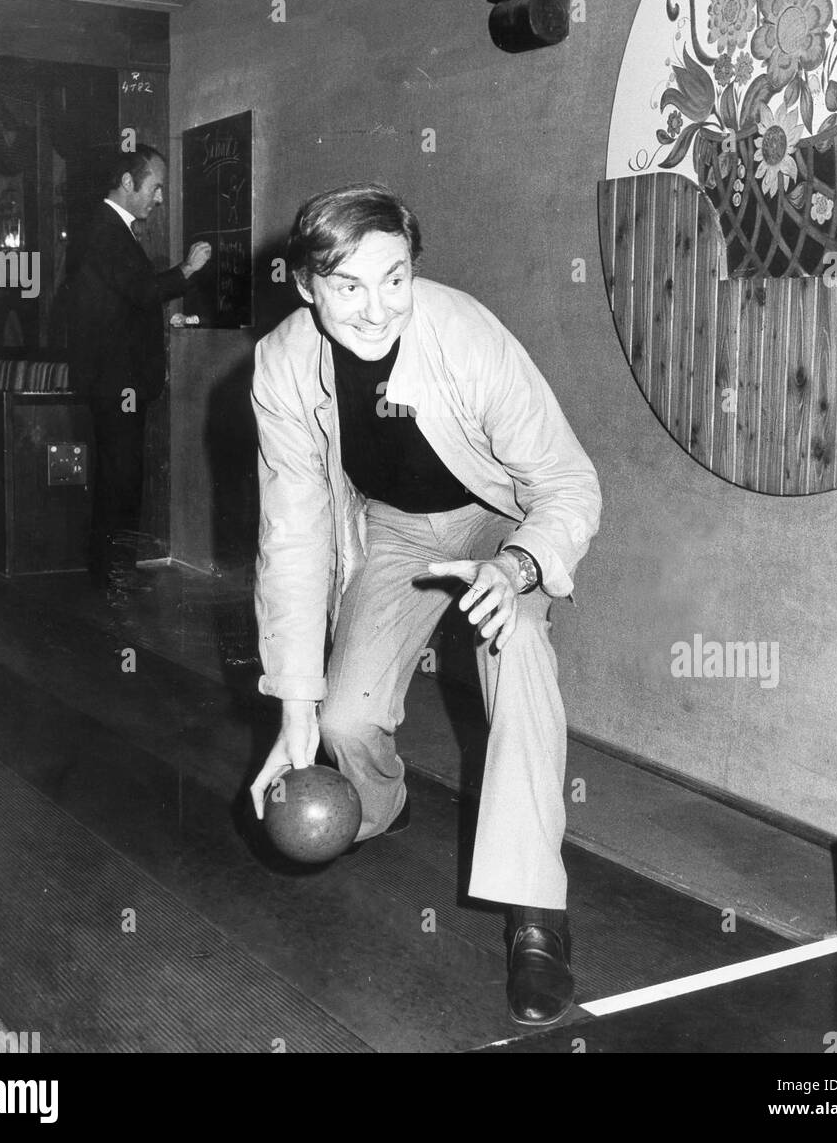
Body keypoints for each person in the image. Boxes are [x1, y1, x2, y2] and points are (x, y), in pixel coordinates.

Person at [248, 183, 601, 1027]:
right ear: (305, 285)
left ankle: (536, 919)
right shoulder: (282, 365)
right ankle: (384, 802)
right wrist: (296, 714)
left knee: (518, 667)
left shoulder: (467, 334)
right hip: (402, 531)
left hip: (501, 517)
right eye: (348, 286)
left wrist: (516, 570)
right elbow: (292, 537)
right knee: (346, 719)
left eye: (395, 279)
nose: (377, 310)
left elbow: (566, 482)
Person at [65, 144, 211, 603]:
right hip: (116, 382)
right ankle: (114, 573)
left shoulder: (108, 228)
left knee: (121, 475)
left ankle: (115, 569)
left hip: (116, 380)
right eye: (156, 187)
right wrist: (188, 269)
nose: (160, 197)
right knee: (120, 476)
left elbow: (124, 302)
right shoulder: (107, 229)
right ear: (128, 183)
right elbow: (142, 291)